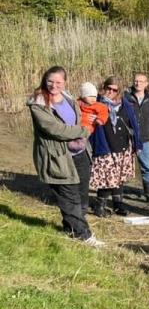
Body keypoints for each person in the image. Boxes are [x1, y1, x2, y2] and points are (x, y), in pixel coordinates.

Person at [27, 66, 103, 247]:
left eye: (58, 82)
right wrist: (83, 130)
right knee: (69, 198)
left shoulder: (68, 97)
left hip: (80, 153)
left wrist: (84, 130)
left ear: (65, 82)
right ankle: (84, 236)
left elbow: (79, 116)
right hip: (58, 157)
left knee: (82, 196)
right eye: (50, 81)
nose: (54, 85)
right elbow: (54, 129)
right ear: (45, 80)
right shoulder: (38, 103)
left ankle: (72, 228)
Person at [89, 76, 141, 217]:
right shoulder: (96, 104)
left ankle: (118, 205)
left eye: (114, 90)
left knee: (119, 178)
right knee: (107, 180)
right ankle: (99, 207)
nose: (111, 92)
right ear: (104, 88)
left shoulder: (125, 104)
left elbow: (134, 125)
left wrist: (137, 144)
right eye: (108, 88)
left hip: (123, 148)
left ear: (118, 91)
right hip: (105, 148)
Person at [125, 72, 149, 204]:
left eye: (141, 81)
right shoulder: (126, 97)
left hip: (145, 139)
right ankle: (116, 195)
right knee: (122, 166)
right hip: (126, 138)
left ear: (146, 84)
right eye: (136, 81)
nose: (137, 83)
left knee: (146, 167)